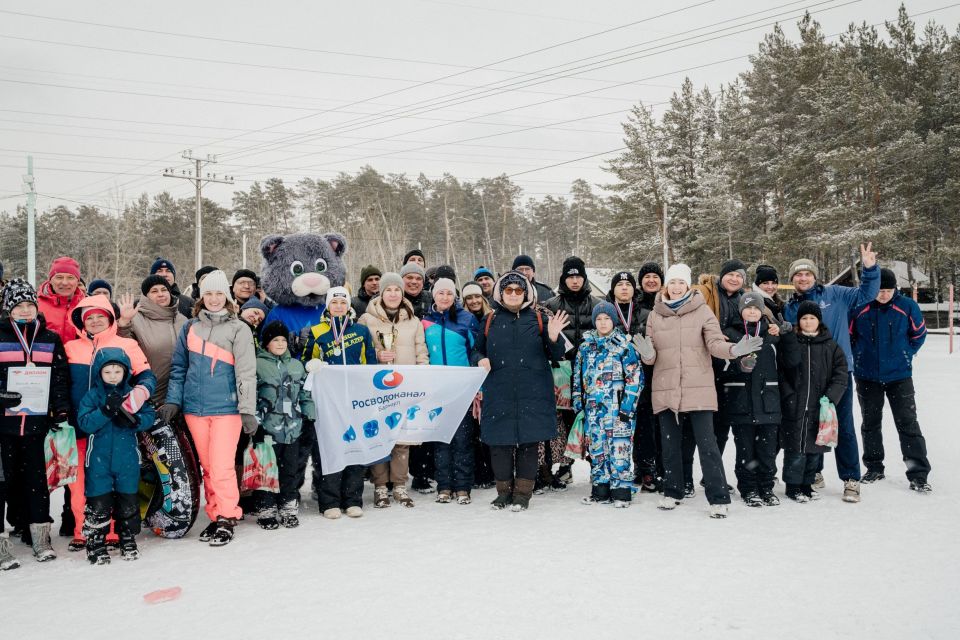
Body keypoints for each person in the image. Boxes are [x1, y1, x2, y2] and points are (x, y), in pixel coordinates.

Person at [636, 264, 762, 519]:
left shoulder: (702, 311)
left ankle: (718, 497)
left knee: (708, 446)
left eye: (681, 283)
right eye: (672, 283)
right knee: (670, 447)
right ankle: (672, 491)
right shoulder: (655, 315)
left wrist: (733, 351)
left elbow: (715, 343)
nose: (676, 287)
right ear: (666, 286)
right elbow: (651, 354)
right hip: (667, 388)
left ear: (688, 286)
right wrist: (647, 355)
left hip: (699, 388)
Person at [161, 269, 257, 546]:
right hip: (195, 409)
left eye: (219, 293)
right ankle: (215, 514)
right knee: (207, 466)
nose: (214, 299)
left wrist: (247, 409)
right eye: (209, 294)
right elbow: (179, 368)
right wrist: (173, 401)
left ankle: (227, 515)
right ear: (201, 297)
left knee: (223, 465)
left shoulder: (239, 328)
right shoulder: (190, 328)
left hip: (227, 408)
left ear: (226, 297)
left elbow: (246, 372)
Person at [783, 242, 878, 503]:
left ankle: (850, 478)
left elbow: (866, 295)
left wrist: (869, 268)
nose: (803, 278)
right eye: (798, 275)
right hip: (806, 377)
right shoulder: (791, 308)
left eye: (807, 274)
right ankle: (814, 473)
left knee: (842, 426)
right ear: (792, 279)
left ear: (815, 276)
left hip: (838, 373)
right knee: (809, 424)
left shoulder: (836, 294)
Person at [64, 294, 156, 552]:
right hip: (83, 424)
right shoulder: (71, 347)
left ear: (110, 319)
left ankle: (116, 532)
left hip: (116, 428)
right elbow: (59, 382)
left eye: (100, 317)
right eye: (89, 318)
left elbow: (147, 377)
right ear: (82, 322)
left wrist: (138, 397)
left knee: (118, 483)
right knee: (81, 483)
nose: (94, 321)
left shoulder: (126, 344)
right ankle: (86, 530)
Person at [474, 272, 568, 512]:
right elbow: (475, 350)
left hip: (533, 392)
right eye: (509, 290)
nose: (514, 294)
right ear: (501, 293)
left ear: (526, 293)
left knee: (528, 444)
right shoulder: (490, 320)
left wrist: (554, 337)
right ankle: (503, 493)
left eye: (518, 290)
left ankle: (523, 495)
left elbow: (556, 355)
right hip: (499, 391)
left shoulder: (538, 318)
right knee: (499, 445)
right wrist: (480, 358)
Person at [0, 279, 70, 561]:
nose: (26, 311)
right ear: (8, 309)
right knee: (2, 484)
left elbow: (60, 378)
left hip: (37, 426)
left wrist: (61, 408)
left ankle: (41, 538)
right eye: (19, 306)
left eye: (30, 305)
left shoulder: (50, 339)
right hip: (3, 426)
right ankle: (2, 545)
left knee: (36, 482)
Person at [851, 268, 931, 492]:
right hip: (867, 375)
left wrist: (905, 353)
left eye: (888, 290)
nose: (884, 295)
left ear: (895, 289)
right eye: (879, 290)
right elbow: (850, 335)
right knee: (871, 423)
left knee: (908, 422)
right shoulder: (860, 307)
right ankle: (874, 467)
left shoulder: (907, 306)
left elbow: (919, 334)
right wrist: (859, 355)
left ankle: (918, 474)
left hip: (899, 376)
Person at [303, 287, 377, 518]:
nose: (338, 306)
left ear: (348, 306)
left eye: (342, 302)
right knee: (331, 448)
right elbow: (306, 360)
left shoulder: (361, 331)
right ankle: (329, 501)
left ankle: (353, 498)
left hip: (355, 400)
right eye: (334, 302)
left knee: (355, 446)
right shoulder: (317, 332)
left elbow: (370, 364)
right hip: (330, 402)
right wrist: (311, 365)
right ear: (327, 306)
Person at [76, 348, 155, 564]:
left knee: (127, 500)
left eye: (117, 371)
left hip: (127, 458)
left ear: (126, 373)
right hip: (98, 460)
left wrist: (136, 421)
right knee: (98, 501)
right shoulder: (93, 396)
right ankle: (96, 542)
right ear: (99, 373)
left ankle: (127, 537)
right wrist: (105, 412)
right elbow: (84, 422)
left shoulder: (132, 395)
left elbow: (149, 415)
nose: (112, 376)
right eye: (107, 372)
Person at [358, 272, 429, 508]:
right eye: (388, 289)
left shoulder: (413, 320)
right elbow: (359, 352)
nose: (393, 293)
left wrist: (422, 377)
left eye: (397, 290)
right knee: (379, 434)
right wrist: (377, 356)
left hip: (405, 386)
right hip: (378, 387)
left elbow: (421, 352)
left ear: (402, 293)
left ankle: (399, 484)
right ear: (381, 292)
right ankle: (380, 486)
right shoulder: (367, 319)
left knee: (402, 436)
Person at [720, 292, 794, 507]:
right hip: (740, 403)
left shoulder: (772, 335)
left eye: (756, 308)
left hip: (768, 402)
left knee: (767, 450)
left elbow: (790, 362)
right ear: (740, 310)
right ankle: (749, 488)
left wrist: (787, 334)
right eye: (748, 307)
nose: (752, 311)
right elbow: (718, 367)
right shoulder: (730, 333)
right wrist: (736, 366)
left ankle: (766, 487)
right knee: (745, 450)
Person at [573, 302, 642, 507]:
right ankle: (600, 489)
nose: (603, 323)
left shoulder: (624, 346)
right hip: (593, 410)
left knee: (619, 450)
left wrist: (627, 407)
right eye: (599, 319)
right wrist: (579, 404)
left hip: (618, 410)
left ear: (614, 321)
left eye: (607, 319)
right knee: (597, 450)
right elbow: (577, 377)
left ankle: (621, 491)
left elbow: (635, 378)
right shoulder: (585, 347)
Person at [778, 301, 848, 503]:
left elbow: (841, 374)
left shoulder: (830, 346)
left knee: (814, 449)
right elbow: (781, 371)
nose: (808, 322)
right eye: (804, 318)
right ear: (799, 321)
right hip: (796, 405)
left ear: (819, 321)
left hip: (820, 406)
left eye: (812, 318)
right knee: (796, 448)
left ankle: (807, 483)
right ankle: (793, 486)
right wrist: (788, 395)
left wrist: (831, 396)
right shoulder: (792, 342)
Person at [542, 256, 600, 490]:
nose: (574, 281)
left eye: (578, 276)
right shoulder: (552, 304)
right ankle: (564, 467)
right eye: (570, 276)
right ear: (563, 279)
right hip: (562, 370)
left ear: (584, 278)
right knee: (564, 421)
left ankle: (597, 464)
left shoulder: (597, 304)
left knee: (592, 417)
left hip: (589, 370)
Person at [422, 278, 481, 505]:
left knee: (463, 440)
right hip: (437, 390)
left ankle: (463, 487)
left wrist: (479, 387)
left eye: (449, 293)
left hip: (462, 389)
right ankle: (444, 486)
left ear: (454, 296)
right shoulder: (425, 321)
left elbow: (476, 353)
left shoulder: (467, 319)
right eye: (440, 293)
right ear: (434, 295)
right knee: (441, 440)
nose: (445, 297)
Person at [253, 321, 315, 529]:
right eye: (275, 340)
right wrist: (254, 424)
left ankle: (288, 506)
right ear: (266, 343)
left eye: (283, 340)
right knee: (266, 470)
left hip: (292, 429)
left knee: (290, 469)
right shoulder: (257, 365)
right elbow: (251, 395)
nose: (280, 344)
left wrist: (309, 418)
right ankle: (266, 508)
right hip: (267, 429)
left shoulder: (296, 366)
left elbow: (306, 394)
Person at [694, 258, 747, 459]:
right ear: (722, 275)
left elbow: (762, 316)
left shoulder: (744, 298)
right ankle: (710, 471)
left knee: (727, 422)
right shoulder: (705, 291)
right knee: (713, 425)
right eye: (730, 274)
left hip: (732, 366)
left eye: (739, 276)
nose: (734, 279)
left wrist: (778, 326)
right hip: (707, 364)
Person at [116, 276, 186, 406]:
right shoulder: (136, 319)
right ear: (146, 296)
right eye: (154, 291)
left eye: (164, 289)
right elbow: (124, 348)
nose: (160, 294)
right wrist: (124, 323)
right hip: (150, 396)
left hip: (181, 396)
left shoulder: (183, 320)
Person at [459, 281, 494, 488]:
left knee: (487, 427)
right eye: (469, 298)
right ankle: (478, 472)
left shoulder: (492, 317)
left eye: (476, 297)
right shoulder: (464, 320)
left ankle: (490, 471)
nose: (473, 301)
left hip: (489, 375)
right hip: (471, 377)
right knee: (473, 429)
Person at [632, 262, 663, 491]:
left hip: (666, 368)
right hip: (643, 370)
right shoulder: (635, 304)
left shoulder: (667, 301)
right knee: (642, 422)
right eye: (647, 276)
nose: (651, 280)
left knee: (663, 422)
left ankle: (662, 468)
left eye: (655, 276)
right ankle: (642, 467)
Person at [37, 256, 86, 346]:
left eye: (70, 278)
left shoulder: (86, 305)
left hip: (78, 359)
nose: (64, 282)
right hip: (46, 357)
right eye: (59, 277)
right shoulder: (36, 305)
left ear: (77, 281)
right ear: (50, 280)